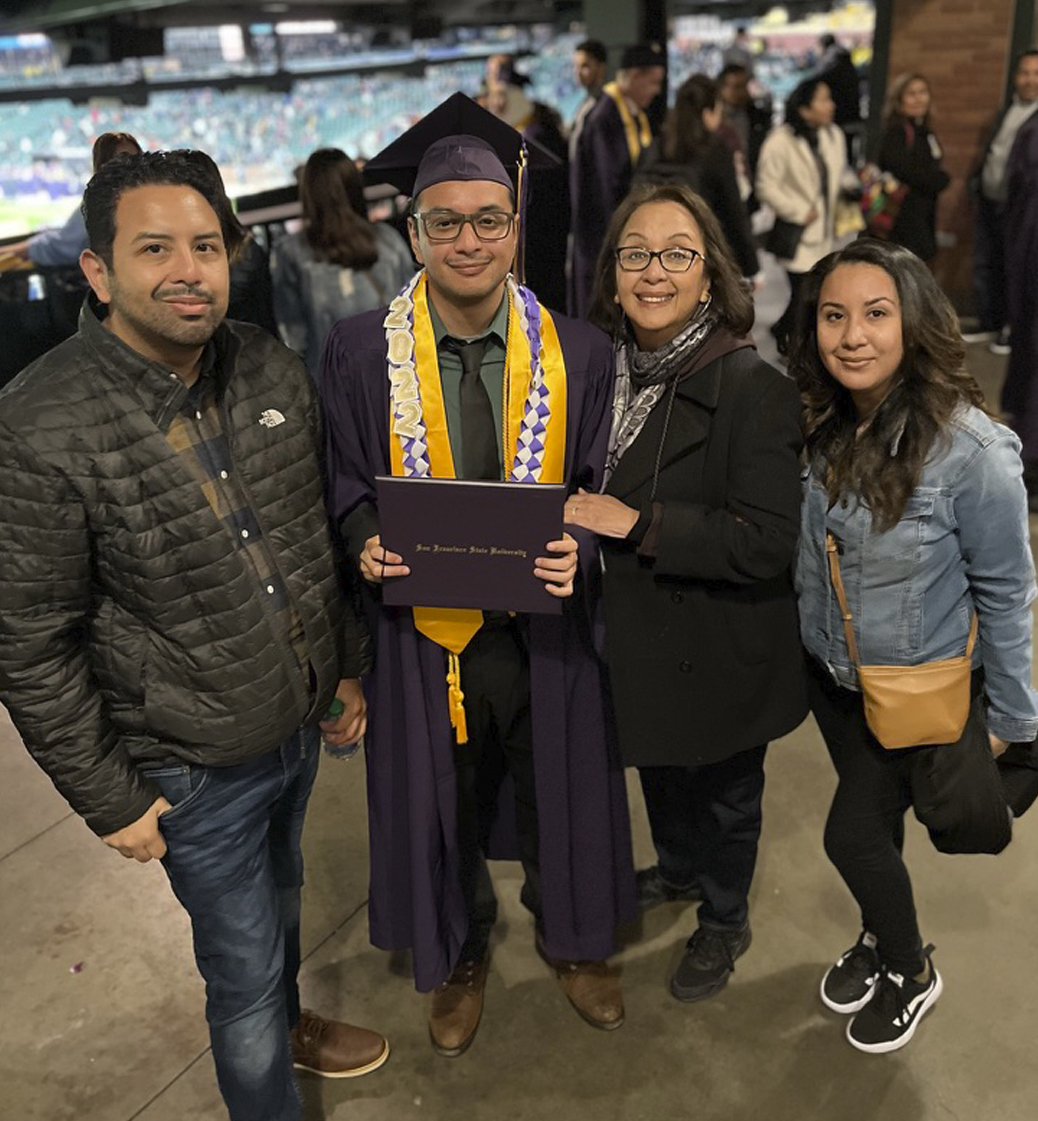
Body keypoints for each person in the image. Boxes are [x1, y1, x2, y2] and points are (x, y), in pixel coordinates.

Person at [0, 150, 388, 1121]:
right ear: (98, 271)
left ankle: (296, 1025)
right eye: (155, 248)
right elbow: (28, 639)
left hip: (294, 725)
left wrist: (342, 668)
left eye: (206, 246)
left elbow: (305, 539)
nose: (187, 269)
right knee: (244, 973)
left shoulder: (266, 361)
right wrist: (108, 797)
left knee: (285, 905)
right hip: (187, 767)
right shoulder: (41, 422)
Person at [319, 94, 636, 1058]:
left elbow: (597, 487)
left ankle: (576, 940)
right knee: (441, 795)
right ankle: (457, 953)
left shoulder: (580, 352)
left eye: (488, 220)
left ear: (514, 226)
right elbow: (341, 476)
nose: (469, 241)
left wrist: (577, 549)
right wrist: (365, 534)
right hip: (424, 632)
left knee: (561, 786)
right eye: (445, 222)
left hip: (546, 626)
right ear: (412, 234)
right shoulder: (358, 354)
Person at [790, 238, 1038, 1053]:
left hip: (916, 691)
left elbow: (1008, 592)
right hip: (833, 680)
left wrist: (1013, 718)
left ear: (914, 322)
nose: (851, 335)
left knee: (850, 835)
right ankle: (875, 933)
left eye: (875, 313)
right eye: (834, 315)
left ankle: (908, 968)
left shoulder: (971, 452)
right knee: (876, 832)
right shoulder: (823, 423)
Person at [566, 181, 807, 1003]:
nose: (654, 272)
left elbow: (768, 540)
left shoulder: (753, 386)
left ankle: (724, 917)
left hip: (723, 645)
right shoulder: (602, 369)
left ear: (710, 276)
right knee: (663, 774)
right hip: (638, 638)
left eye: (678, 254)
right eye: (636, 254)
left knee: (728, 800)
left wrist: (637, 523)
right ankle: (675, 871)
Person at [271, 147, 415, 379]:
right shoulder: (388, 241)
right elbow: (412, 313)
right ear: (355, 187)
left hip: (330, 386)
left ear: (308, 194)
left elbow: (293, 338)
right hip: (394, 382)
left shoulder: (291, 253)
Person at [568, 42, 666, 318]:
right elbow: (605, 188)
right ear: (635, 75)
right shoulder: (605, 117)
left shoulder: (626, 112)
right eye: (653, 82)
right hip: (603, 241)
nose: (657, 90)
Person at [756, 77, 848, 355]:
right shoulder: (780, 141)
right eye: (823, 99)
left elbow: (836, 176)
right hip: (796, 234)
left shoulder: (834, 135)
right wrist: (797, 211)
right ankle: (792, 347)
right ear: (804, 108)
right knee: (807, 293)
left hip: (824, 232)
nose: (831, 105)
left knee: (806, 292)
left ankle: (782, 329)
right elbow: (765, 185)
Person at [635, 74, 759, 279]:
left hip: (655, 256)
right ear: (707, 112)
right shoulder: (716, 151)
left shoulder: (655, 147)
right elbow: (734, 214)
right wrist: (752, 269)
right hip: (700, 258)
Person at [966, 49, 1038, 355]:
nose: (1029, 79)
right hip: (990, 200)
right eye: (1024, 72)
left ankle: (1012, 329)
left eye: (1036, 73)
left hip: (1020, 210)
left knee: (1015, 267)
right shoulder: (1008, 110)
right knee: (987, 263)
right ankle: (990, 321)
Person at [0, 132, 142, 267]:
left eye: (136, 159)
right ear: (103, 167)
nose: (130, 166)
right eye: (121, 160)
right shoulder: (102, 203)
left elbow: (62, 245)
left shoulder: (100, 204)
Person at [877, 73, 950, 264]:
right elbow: (899, 165)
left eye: (923, 92)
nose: (919, 99)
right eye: (912, 94)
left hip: (923, 213)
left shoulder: (924, 130)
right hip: (903, 215)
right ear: (899, 99)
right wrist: (938, 180)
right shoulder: (898, 130)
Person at [717, 63, 771, 182]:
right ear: (721, 88)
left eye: (744, 86)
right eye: (737, 87)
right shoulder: (714, 119)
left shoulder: (757, 117)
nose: (743, 92)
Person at [816, 34, 862, 157]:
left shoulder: (828, 62)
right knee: (848, 152)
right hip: (851, 114)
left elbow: (818, 85)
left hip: (836, 117)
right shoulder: (846, 60)